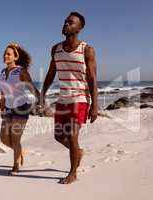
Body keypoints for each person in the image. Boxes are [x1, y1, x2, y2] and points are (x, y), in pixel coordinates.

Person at [40, 12, 98, 184]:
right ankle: (78, 152)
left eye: (71, 23)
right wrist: (43, 94)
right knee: (59, 136)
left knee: (72, 135)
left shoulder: (87, 50)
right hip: (63, 99)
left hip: (80, 98)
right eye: (65, 21)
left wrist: (95, 105)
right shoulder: (55, 49)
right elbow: (51, 73)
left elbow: (93, 79)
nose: (66, 24)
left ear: (79, 28)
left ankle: (73, 173)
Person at [0, 42, 40, 175]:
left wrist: (40, 101)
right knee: (4, 139)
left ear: (15, 57)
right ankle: (20, 151)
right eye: (5, 53)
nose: (6, 56)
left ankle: (16, 167)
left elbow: (32, 87)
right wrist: (2, 108)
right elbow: (3, 92)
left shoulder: (21, 71)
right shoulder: (2, 72)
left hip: (21, 107)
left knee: (15, 139)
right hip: (8, 109)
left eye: (9, 54)